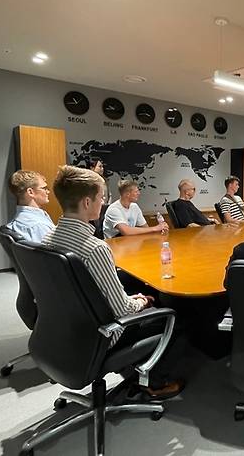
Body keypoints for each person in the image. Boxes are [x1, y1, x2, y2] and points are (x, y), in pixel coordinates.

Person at [42, 165, 183, 399]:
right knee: (177, 316)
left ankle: (130, 367)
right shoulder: (94, 249)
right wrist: (140, 301)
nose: (103, 203)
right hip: (102, 335)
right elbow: (123, 310)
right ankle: (154, 382)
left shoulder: (48, 239)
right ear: (87, 203)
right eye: (101, 198)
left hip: (65, 328)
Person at [103, 180, 168, 238]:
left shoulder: (134, 207)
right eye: (136, 191)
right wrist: (155, 228)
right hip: (113, 244)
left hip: (129, 242)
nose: (139, 193)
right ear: (128, 194)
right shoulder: (114, 209)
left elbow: (145, 228)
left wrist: (159, 230)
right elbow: (126, 232)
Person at [6, 170, 55, 242]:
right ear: (30, 192)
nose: (48, 192)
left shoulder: (17, 221)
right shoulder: (39, 226)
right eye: (44, 188)